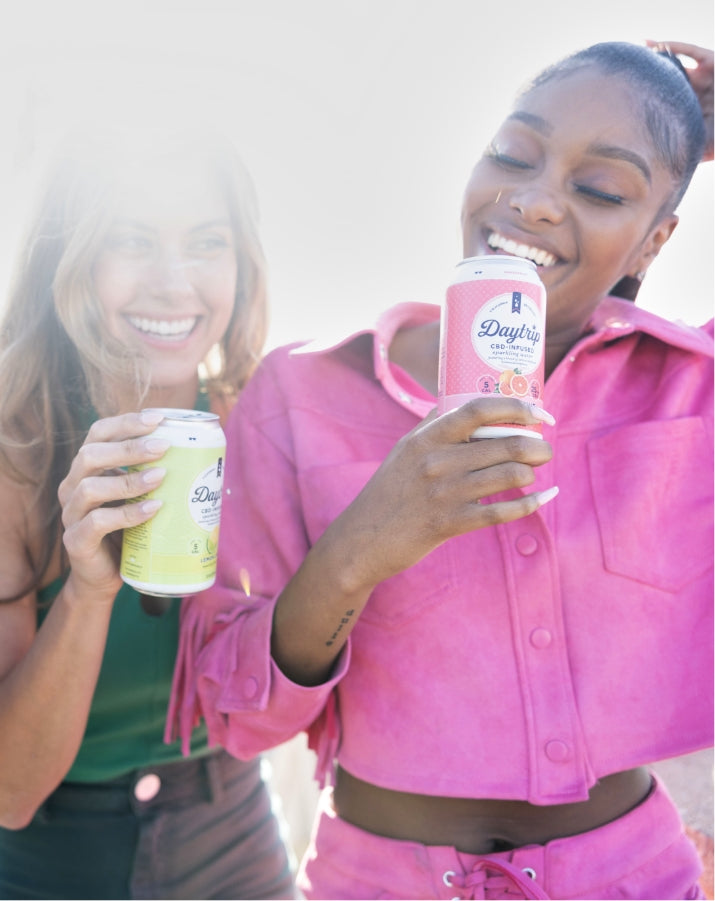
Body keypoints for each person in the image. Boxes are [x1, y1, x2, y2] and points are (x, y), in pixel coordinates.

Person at [167, 41, 713, 900]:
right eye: (512, 153)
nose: (531, 200)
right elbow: (239, 716)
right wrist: (360, 549)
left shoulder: (693, 388)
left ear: (653, 240)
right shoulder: (302, 393)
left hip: (632, 879)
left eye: (600, 188)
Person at [0, 119, 295, 899]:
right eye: (131, 240)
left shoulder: (263, 420)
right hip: (51, 851)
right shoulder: (15, 448)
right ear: (71, 260)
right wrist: (91, 589)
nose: (174, 283)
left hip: (231, 820)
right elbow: (9, 791)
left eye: (206, 242)